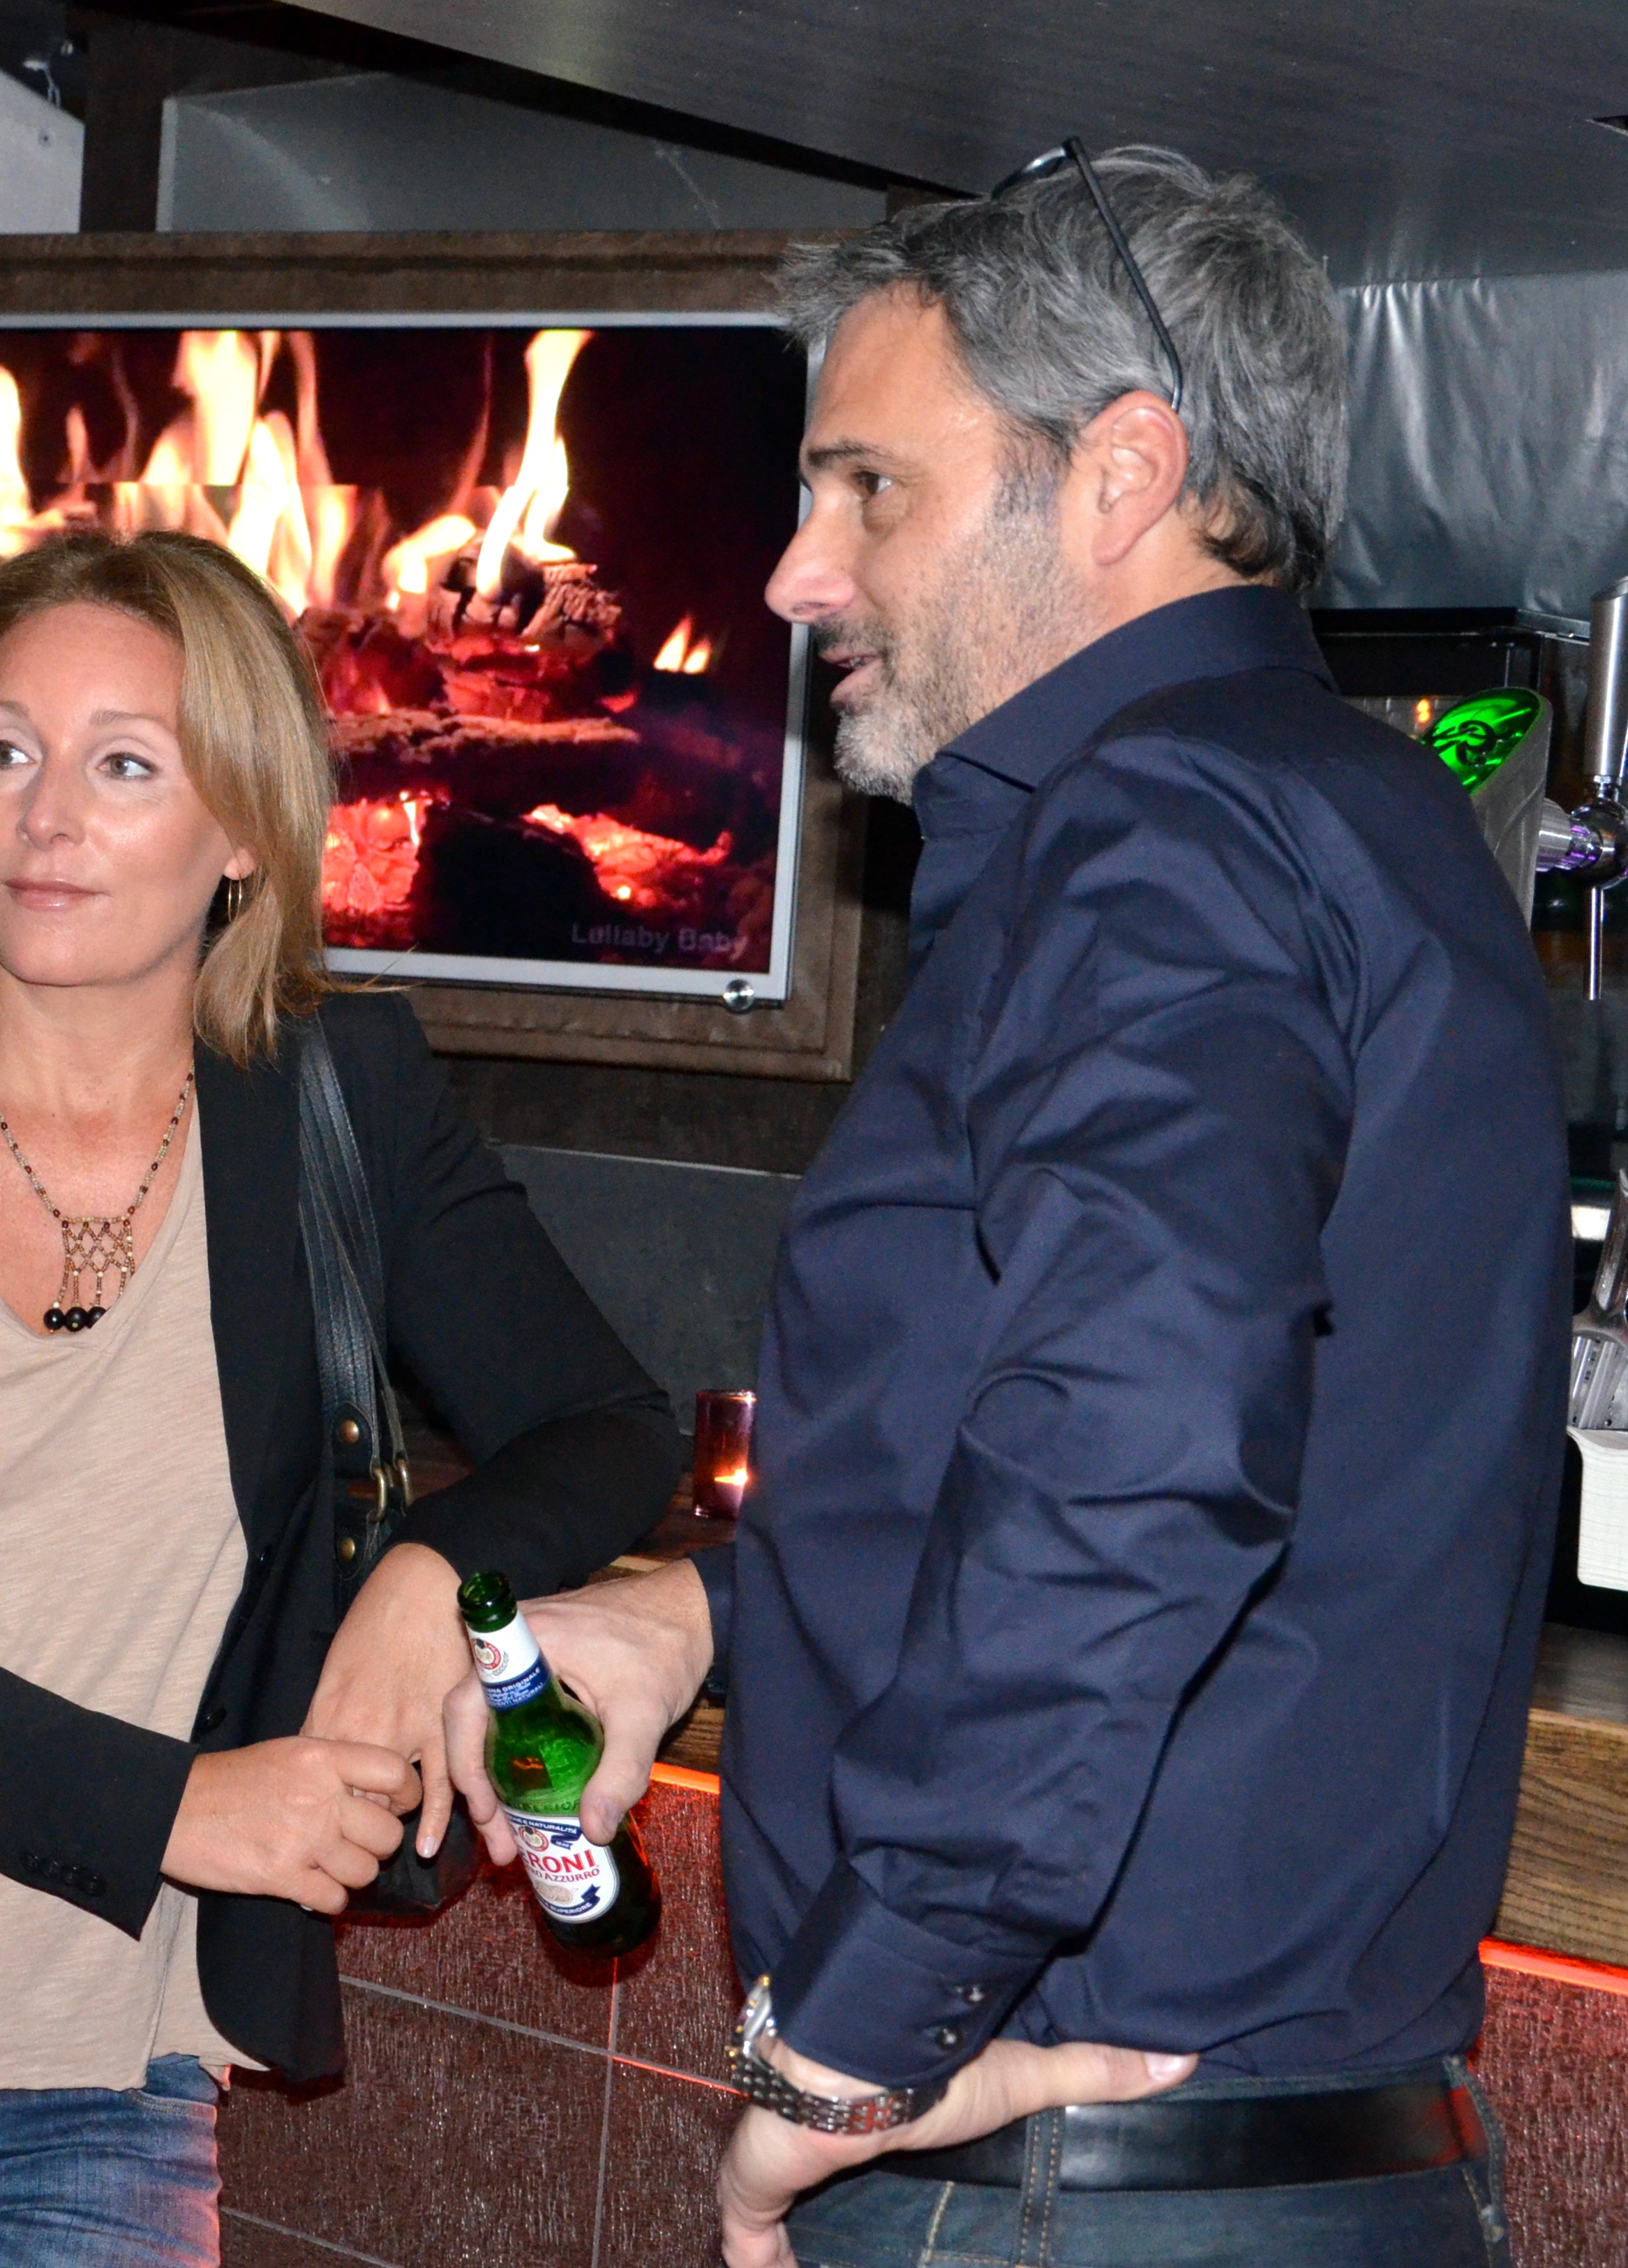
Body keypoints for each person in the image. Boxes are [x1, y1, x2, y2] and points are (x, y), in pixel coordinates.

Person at [446, 147, 1566, 2268]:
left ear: (1122, 472)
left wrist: (850, 2044)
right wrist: (702, 1615)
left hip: (1087, 2196)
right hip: (1271, 2168)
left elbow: (1138, 1453)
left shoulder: (1157, 831)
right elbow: (1116, 1428)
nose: (795, 569)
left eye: (868, 487)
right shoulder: (1348, 810)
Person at [0, 528, 680, 2267]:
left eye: (124, 764)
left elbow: (610, 1424)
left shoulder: (342, 1103)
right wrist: (176, 1807)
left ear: (244, 830)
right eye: (7, 751)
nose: (46, 814)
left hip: (109, 2093)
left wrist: (428, 1572)